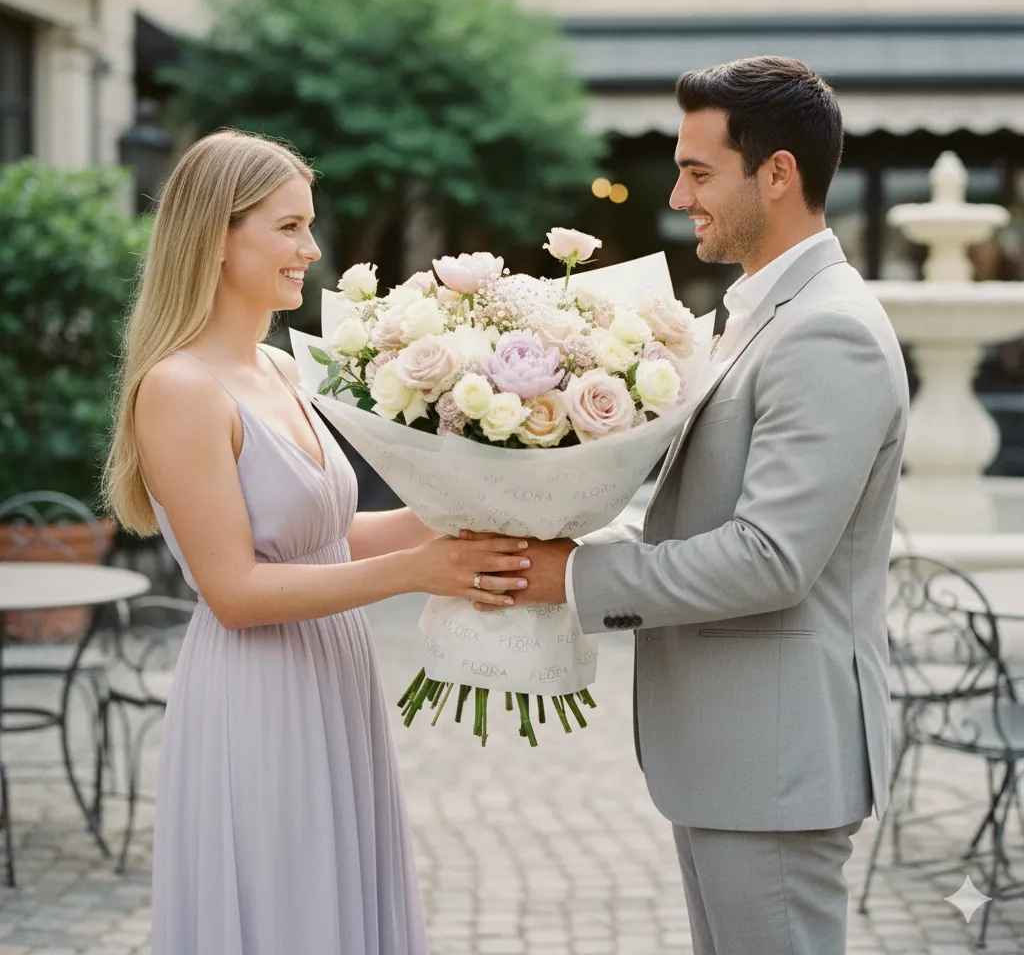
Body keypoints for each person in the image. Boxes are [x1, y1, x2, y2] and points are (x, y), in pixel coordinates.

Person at [503, 56, 910, 954]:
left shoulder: (826, 331)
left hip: (774, 765)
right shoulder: (758, 315)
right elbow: (698, 514)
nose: (681, 193)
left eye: (698, 172)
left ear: (777, 173)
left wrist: (575, 576)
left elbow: (771, 557)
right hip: (736, 760)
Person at [104, 129, 531, 955]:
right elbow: (234, 591)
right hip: (258, 694)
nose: (314, 247)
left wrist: (477, 507)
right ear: (218, 238)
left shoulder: (283, 370)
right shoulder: (180, 389)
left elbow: (326, 537)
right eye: (289, 227)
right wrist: (415, 570)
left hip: (333, 674)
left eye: (309, 225)